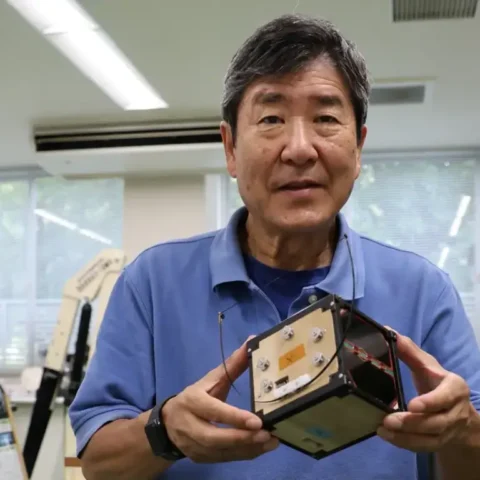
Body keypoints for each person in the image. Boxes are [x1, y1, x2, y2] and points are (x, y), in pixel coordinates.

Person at [69, 13, 480, 480]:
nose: (300, 148)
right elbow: (98, 463)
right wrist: (165, 431)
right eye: (271, 118)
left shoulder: (423, 290)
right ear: (230, 149)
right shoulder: (151, 282)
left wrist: (462, 429)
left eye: (326, 118)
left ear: (359, 147)